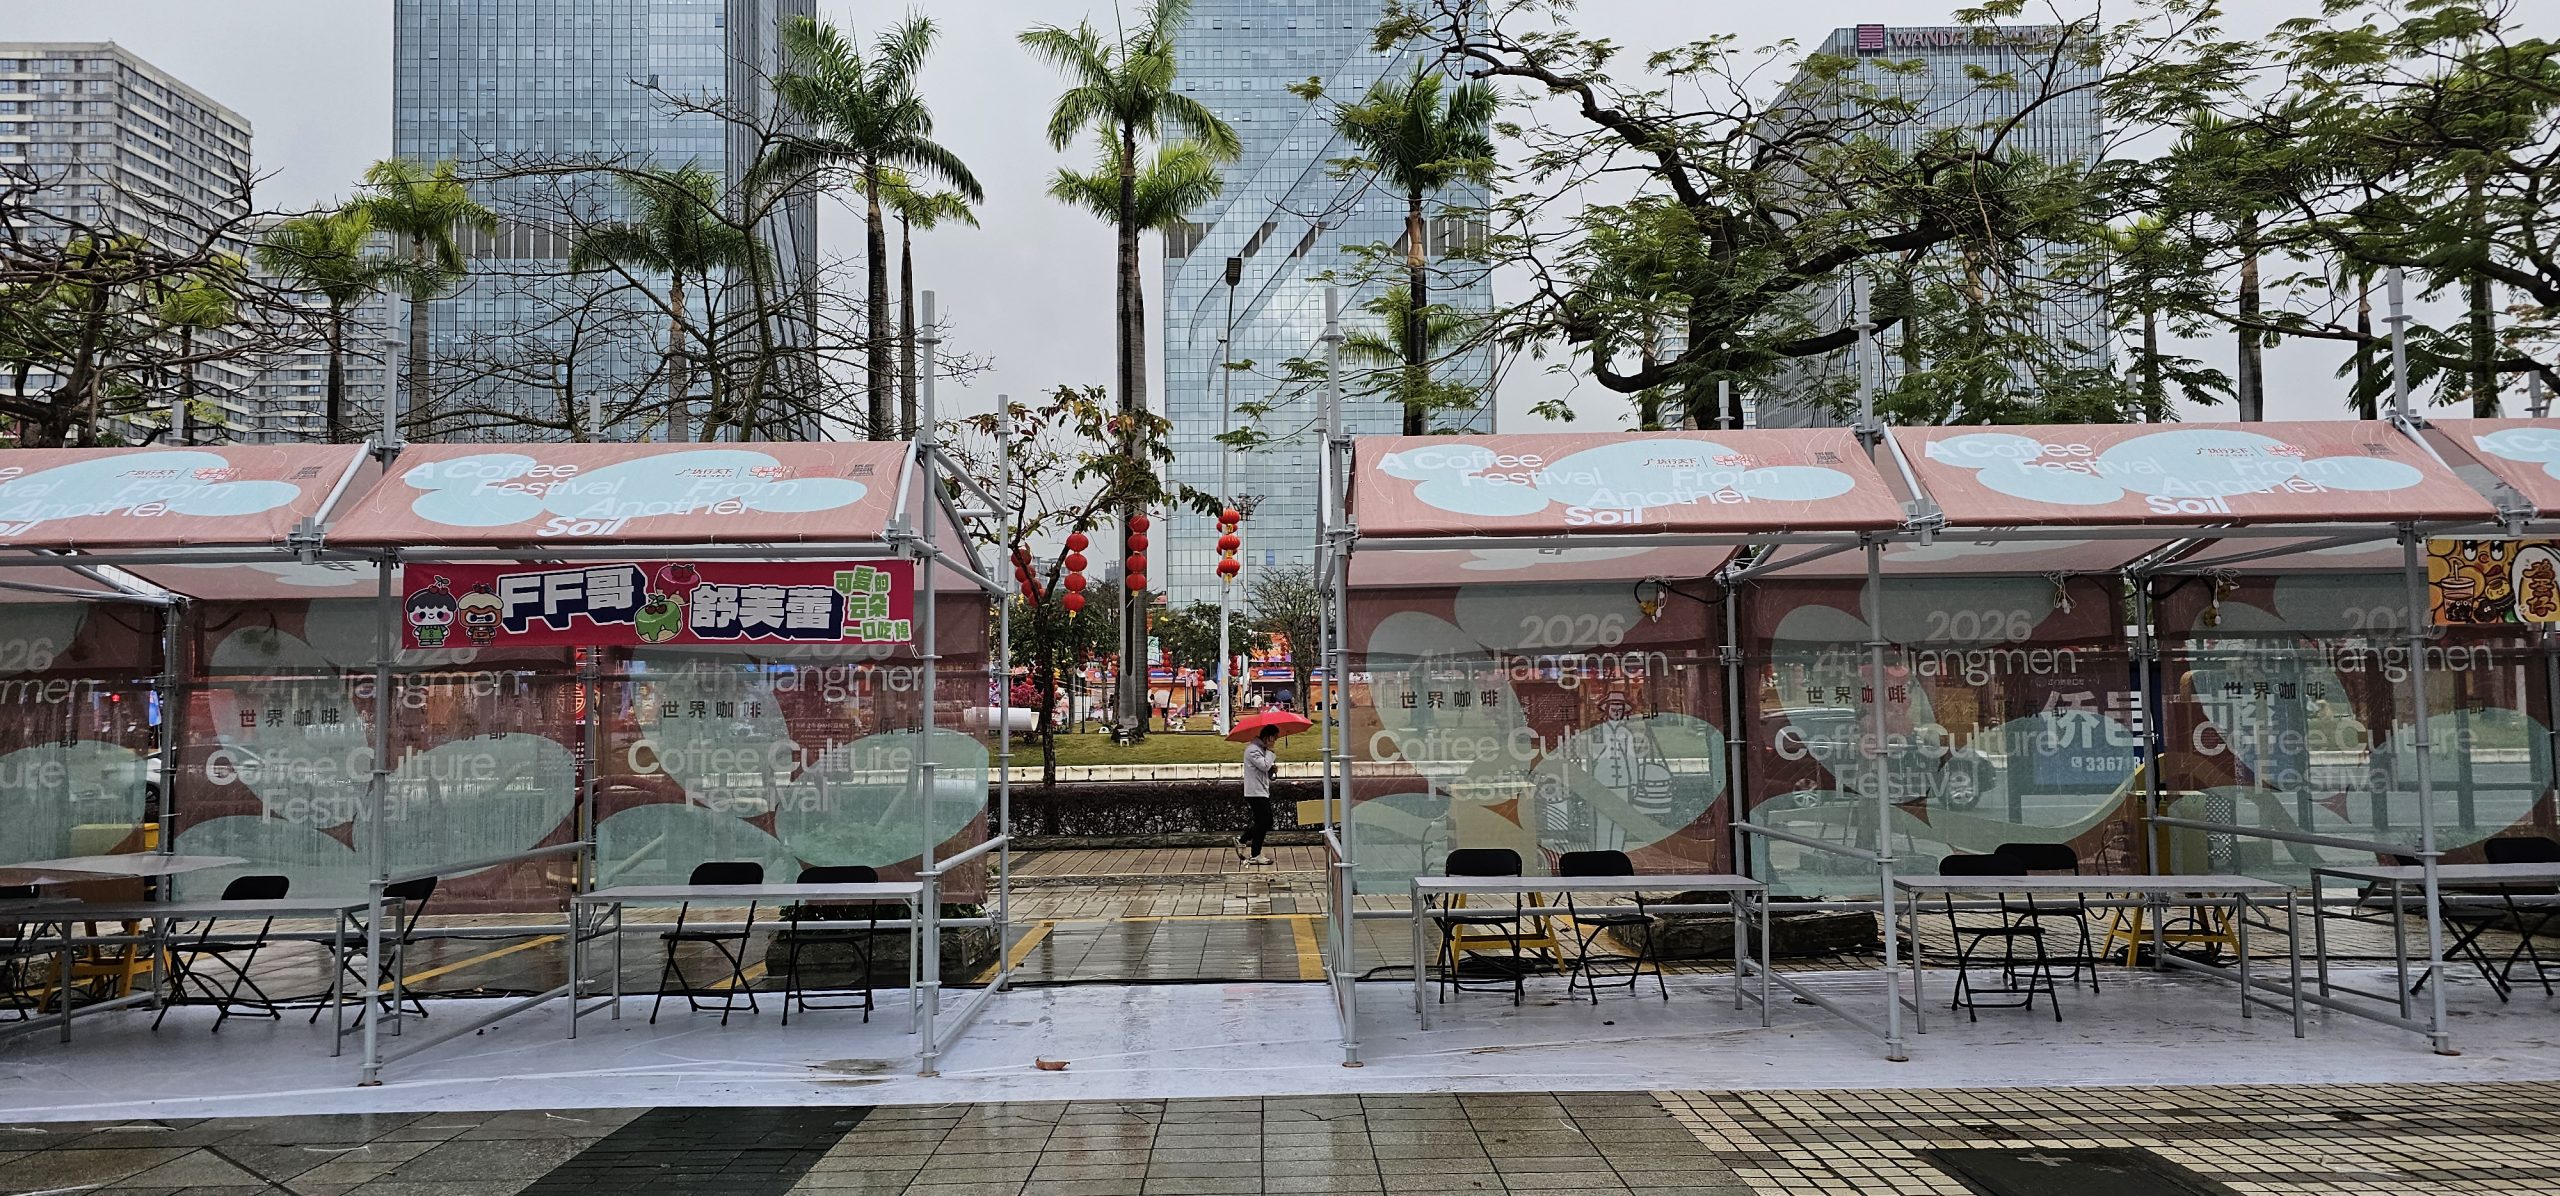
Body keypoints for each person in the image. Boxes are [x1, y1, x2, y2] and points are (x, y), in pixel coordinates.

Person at [1238, 724, 1278, 866]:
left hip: (1260, 791)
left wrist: (1272, 769)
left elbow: (1264, 768)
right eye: (1275, 738)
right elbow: (1264, 766)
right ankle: (1251, 849)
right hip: (1255, 792)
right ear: (1269, 737)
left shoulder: (1260, 749)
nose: (1275, 741)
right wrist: (1270, 752)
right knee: (1265, 822)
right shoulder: (1253, 750)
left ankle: (1246, 844)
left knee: (1264, 822)